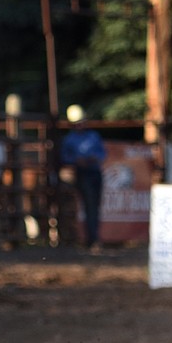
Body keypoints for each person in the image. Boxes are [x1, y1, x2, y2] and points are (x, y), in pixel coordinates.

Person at [60, 105, 107, 251]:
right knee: (83, 206)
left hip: (94, 173)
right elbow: (64, 157)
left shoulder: (93, 136)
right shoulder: (69, 140)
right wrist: (76, 160)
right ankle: (84, 238)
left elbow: (102, 154)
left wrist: (93, 159)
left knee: (93, 206)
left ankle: (93, 238)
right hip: (80, 174)